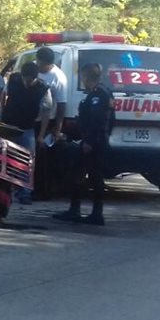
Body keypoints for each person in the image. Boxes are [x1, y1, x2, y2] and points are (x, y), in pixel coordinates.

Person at [55, 63, 114, 225]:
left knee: (91, 177)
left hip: (93, 143)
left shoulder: (98, 95)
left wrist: (89, 141)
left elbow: (98, 121)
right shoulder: (99, 93)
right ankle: (78, 210)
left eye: (83, 77)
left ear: (87, 77)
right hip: (94, 140)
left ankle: (93, 213)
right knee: (81, 175)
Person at [1, 60, 46, 204]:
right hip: (10, 127)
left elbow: (46, 112)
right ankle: (6, 190)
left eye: (30, 79)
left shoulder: (43, 89)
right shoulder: (13, 80)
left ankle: (25, 192)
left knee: (27, 161)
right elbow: (3, 96)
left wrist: (41, 135)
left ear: (36, 78)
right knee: (7, 159)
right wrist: (3, 114)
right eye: (25, 78)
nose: (27, 82)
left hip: (27, 129)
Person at [34, 46, 69, 199]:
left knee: (44, 159)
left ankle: (43, 191)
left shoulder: (58, 77)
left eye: (40, 62)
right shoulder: (35, 72)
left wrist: (57, 128)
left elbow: (62, 105)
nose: (38, 65)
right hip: (32, 119)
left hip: (49, 121)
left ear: (47, 62)